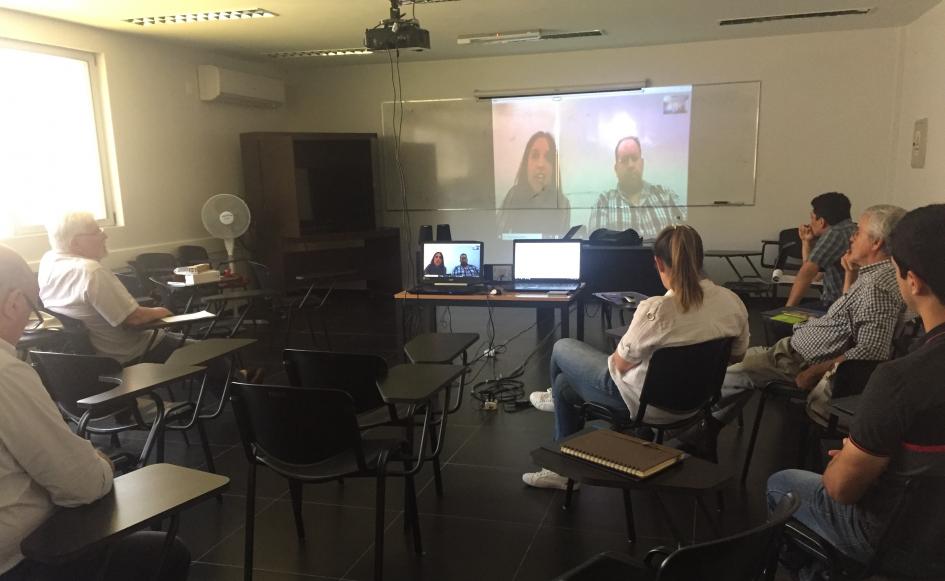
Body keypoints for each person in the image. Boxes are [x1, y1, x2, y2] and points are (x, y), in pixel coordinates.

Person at [767, 204, 945, 580]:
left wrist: (847, 457)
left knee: (781, 483)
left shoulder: (900, 380)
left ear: (912, 281)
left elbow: (841, 489)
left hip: (900, 538)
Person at [0, 244, 190, 581]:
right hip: (20, 559)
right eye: (30, 310)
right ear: (13, 302)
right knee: (167, 553)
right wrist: (100, 463)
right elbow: (81, 486)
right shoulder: (6, 374)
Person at [522, 225, 749, 490]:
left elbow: (619, 364)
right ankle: (557, 409)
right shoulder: (732, 302)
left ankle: (560, 470)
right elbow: (736, 355)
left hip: (642, 406)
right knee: (564, 387)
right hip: (697, 404)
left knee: (562, 348)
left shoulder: (656, 310)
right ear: (700, 259)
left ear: (658, 263)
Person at [715, 205, 906, 421]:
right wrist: (850, 275)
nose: (852, 238)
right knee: (736, 361)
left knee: (727, 375)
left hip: (799, 362)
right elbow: (853, 316)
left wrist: (815, 371)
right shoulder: (881, 275)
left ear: (876, 242)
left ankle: (700, 429)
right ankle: (708, 428)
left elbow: (872, 349)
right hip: (795, 351)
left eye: (858, 232)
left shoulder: (877, 286)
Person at [38, 211, 180, 364]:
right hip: (133, 352)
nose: (104, 236)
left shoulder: (49, 261)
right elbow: (135, 319)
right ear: (75, 243)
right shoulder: (91, 271)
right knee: (208, 351)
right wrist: (165, 311)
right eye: (96, 231)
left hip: (88, 362)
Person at [588, 136, 685, 241]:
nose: (630, 165)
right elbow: (597, 251)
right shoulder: (603, 202)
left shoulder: (666, 196)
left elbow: (685, 242)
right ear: (616, 169)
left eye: (634, 158)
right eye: (624, 160)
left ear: (642, 164)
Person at [786, 192, 858, 307]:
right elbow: (814, 273)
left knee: (777, 322)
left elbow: (807, 273)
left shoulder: (835, 233)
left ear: (821, 221)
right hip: (848, 302)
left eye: (812, 218)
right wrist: (806, 242)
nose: (810, 223)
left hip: (836, 305)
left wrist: (787, 310)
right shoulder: (852, 228)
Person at [497, 131, 570, 237]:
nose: (541, 164)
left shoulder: (563, 204)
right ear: (526, 163)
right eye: (535, 156)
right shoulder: (513, 196)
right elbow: (497, 239)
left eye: (548, 158)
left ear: (554, 167)